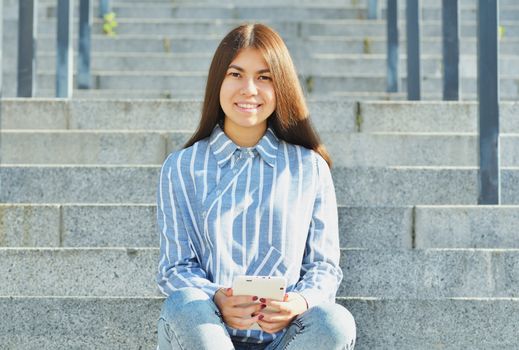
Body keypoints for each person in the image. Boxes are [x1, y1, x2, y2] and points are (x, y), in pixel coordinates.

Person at [156, 23, 356, 350]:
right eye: (236, 74)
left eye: (264, 77)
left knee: (335, 322)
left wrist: (301, 302)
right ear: (217, 82)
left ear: (282, 87)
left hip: (287, 339)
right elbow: (175, 268)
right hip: (205, 333)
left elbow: (323, 267)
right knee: (185, 304)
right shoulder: (181, 167)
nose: (249, 89)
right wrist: (217, 297)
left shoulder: (310, 168)